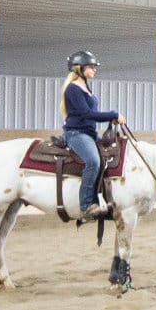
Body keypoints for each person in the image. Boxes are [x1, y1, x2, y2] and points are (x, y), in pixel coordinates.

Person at [60, 50, 121, 221]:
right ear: (79, 68)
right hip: (76, 134)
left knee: (107, 157)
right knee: (93, 161)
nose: (94, 69)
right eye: (91, 66)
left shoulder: (85, 87)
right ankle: (86, 205)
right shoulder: (73, 89)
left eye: (94, 66)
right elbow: (86, 114)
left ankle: (104, 198)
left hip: (89, 133)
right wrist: (112, 114)